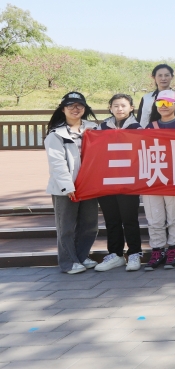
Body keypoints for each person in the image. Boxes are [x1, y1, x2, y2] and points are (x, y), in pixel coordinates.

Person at [46, 92, 100, 274]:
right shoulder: (56, 134)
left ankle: (82, 256)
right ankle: (68, 262)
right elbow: (57, 163)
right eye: (70, 106)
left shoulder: (93, 129)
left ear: (85, 108)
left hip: (89, 186)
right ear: (63, 109)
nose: (75, 109)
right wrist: (67, 186)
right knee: (66, 227)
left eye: (79, 105)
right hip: (67, 188)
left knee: (90, 224)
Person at [95, 94, 143, 272]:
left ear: (131, 107)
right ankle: (115, 254)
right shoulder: (100, 128)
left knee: (129, 218)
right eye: (115, 105)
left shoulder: (138, 128)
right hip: (106, 179)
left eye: (123, 105)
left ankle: (134, 253)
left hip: (129, 180)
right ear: (110, 108)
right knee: (111, 219)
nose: (119, 109)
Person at [143, 90, 175, 271]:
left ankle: (173, 249)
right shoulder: (150, 126)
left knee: (174, 215)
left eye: (168, 103)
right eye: (160, 103)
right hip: (153, 176)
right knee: (154, 217)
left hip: (174, 177)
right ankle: (157, 250)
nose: (164, 107)